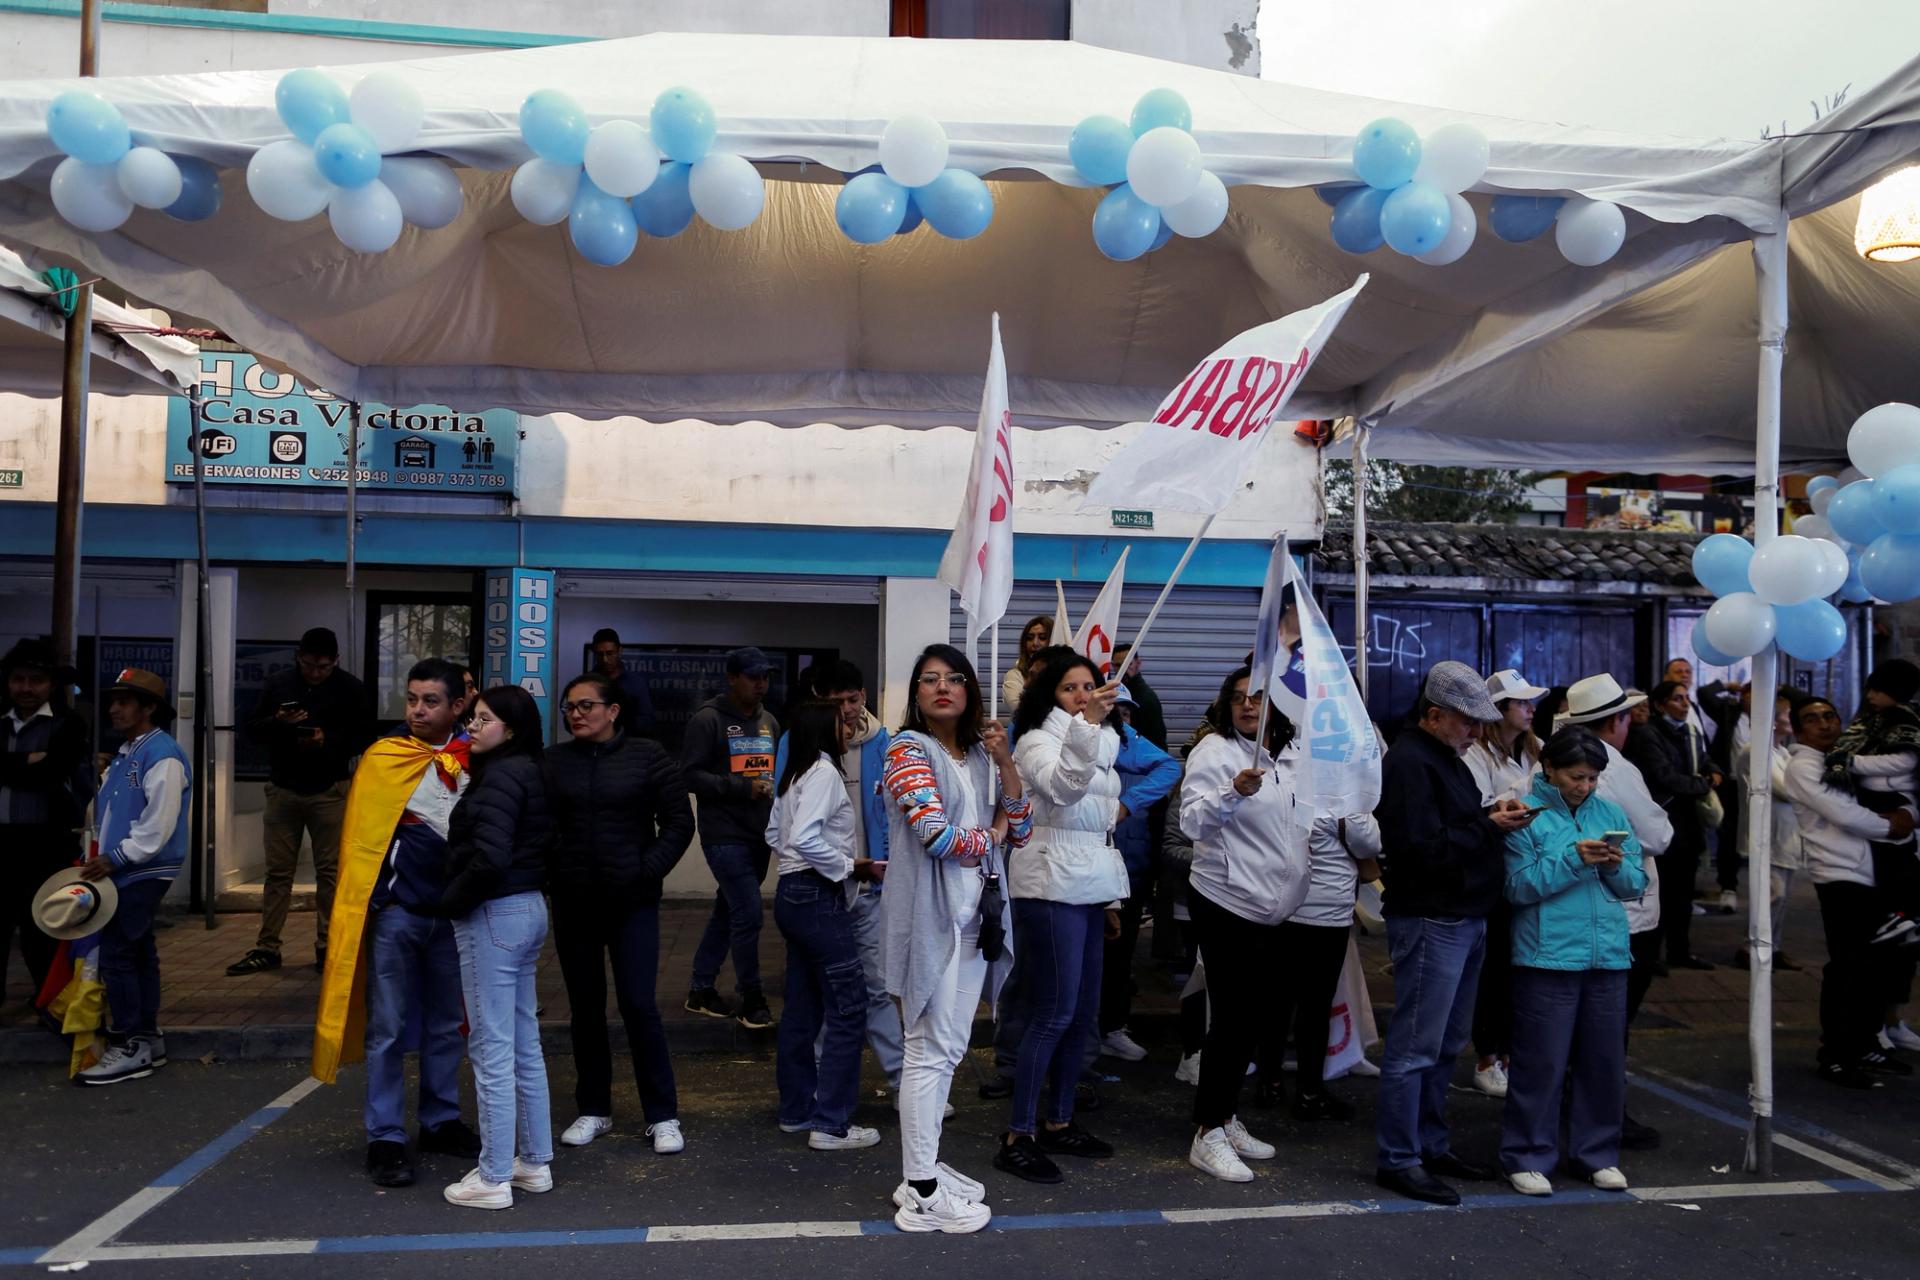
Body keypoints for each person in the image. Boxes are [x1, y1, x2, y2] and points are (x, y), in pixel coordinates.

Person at [311, 657, 481, 1188]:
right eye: (411, 699)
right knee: (387, 1030)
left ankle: (440, 1120)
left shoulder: (478, 758)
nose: (417, 710)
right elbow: (360, 845)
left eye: (431, 701)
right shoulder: (384, 757)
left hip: (453, 916)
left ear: (459, 705)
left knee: (445, 1026)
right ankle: (384, 1135)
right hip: (398, 915)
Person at [1372, 660, 1534, 1206]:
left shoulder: (1445, 758)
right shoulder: (1411, 763)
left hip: (1462, 915)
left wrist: (1490, 812)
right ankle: (1399, 1157)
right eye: (1468, 722)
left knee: (1442, 1045)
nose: (1477, 732)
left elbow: (1448, 827)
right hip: (1434, 916)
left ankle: (1429, 1144)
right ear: (1435, 715)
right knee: (1416, 1047)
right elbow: (1418, 848)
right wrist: (1488, 824)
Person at [883, 644, 1029, 1234]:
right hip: (929, 919)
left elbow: (1021, 826)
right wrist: (992, 830)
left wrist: (1008, 764)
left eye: (954, 679)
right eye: (929, 680)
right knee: (928, 1049)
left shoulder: (977, 753)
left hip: (976, 920)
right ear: (916, 694)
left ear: (970, 689)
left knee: (948, 1049)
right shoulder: (905, 750)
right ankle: (921, 1190)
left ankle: (922, 1168)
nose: (942, 688)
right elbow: (937, 838)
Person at [992, 651, 1132, 1184]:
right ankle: (1018, 1134)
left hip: (1091, 882)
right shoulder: (1035, 742)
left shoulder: (1102, 739)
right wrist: (1088, 726)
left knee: (1081, 1012)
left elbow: (1099, 825)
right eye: (1071, 688)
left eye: (1089, 687)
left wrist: (1112, 900)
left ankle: (1059, 1120)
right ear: (1049, 694)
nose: (1082, 695)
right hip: (1049, 882)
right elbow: (1064, 791)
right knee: (1052, 1012)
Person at [547, 673, 695, 1155]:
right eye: (570, 707)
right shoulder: (554, 763)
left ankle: (662, 1115)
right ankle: (593, 1109)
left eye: (587, 705)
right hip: (575, 902)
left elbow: (678, 823)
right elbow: (540, 825)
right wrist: (555, 872)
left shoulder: (648, 756)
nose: (576, 714)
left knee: (638, 1004)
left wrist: (646, 870)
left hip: (631, 901)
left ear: (613, 711)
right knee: (586, 1008)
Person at [1498, 726, 1647, 1196]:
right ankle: (1526, 1155)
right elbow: (1517, 887)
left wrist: (1616, 864)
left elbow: (1637, 883)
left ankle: (1596, 1154)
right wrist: (1574, 860)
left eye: (1593, 778)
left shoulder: (1611, 812)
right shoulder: (1526, 816)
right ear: (1549, 770)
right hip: (1546, 956)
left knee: (1603, 1062)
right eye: (1576, 776)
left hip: (1608, 955)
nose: (1585, 786)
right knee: (1540, 1063)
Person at [1178, 666, 1312, 1183]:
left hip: (1276, 908)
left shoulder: (1293, 757)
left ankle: (1227, 1116)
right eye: (1238, 699)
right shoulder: (1214, 752)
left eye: (1257, 698)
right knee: (1231, 1020)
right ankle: (1206, 1131)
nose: (1248, 706)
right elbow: (1192, 822)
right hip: (1227, 900)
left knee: (1254, 1020)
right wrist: (1232, 792)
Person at [439, 686, 556, 1209]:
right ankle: (532, 1163)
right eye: (473, 717)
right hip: (527, 908)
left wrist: (451, 902)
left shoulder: (502, 776)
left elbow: (488, 856)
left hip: (494, 912)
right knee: (522, 1042)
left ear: (509, 728)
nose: (471, 726)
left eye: (483, 719)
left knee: (491, 1047)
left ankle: (492, 1177)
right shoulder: (531, 770)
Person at [772, 663, 904, 1103]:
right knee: (838, 996)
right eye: (835, 704)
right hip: (832, 885)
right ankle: (823, 1099)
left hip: (863, 888)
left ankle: (901, 1084)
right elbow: (793, 829)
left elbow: (779, 829)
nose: (846, 712)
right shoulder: (804, 747)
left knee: (866, 989)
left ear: (864, 695)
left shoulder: (885, 743)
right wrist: (843, 865)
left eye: (852, 700)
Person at [1780, 696, 1916, 1087]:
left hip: (1874, 873)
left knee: (1878, 964)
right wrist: (1891, 826)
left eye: (1829, 716)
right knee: (1849, 967)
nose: (1824, 724)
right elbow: (1844, 812)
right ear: (1800, 729)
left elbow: (1897, 793)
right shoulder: (1804, 765)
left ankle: (1865, 1041)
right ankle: (1837, 1054)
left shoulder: (1845, 758)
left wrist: (1909, 816)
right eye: (1812, 719)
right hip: (1841, 876)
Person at [1558, 673, 1668, 1151]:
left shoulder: (1565, 760)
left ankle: (1579, 1107)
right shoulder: (1615, 768)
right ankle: (1603, 1112)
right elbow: (1657, 835)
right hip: (1624, 913)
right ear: (1616, 722)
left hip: (1591, 908)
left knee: (1585, 1023)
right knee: (1608, 1026)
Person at [228, 626, 376, 977]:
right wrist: (280, 722)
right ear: (298, 657)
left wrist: (328, 740)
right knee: (278, 872)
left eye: (323, 666)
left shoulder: (350, 688)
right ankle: (268, 947)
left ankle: (328, 944)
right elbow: (251, 731)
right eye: (309, 664)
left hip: (330, 788)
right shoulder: (279, 685)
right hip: (284, 787)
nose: (315, 672)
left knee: (330, 872)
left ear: (336, 661)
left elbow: (366, 736)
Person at [769, 700, 881, 1151]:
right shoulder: (823, 772)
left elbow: (776, 837)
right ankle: (831, 1123)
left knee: (803, 1006)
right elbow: (803, 838)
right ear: (823, 728)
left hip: (792, 895)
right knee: (849, 1010)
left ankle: (797, 1111)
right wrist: (849, 866)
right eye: (842, 722)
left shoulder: (794, 773)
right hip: (817, 896)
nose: (849, 727)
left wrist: (808, 865)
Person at [73, 669, 190, 1086]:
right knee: (138, 951)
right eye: (113, 700)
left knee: (120, 953)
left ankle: (130, 1043)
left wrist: (115, 858)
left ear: (149, 708)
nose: (114, 708)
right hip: (128, 868)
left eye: (125, 701)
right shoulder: (129, 753)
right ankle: (147, 1039)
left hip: (139, 869)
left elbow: (157, 825)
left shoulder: (163, 754)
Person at [1822, 662, 1920, 1052]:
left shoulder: (1905, 723)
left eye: (1878, 690)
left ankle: (1889, 1020)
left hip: (1898, 818)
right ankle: (1873, 1025)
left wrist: (1853, 764)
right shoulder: (1867, 723)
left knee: (1900, 943)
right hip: (1875, 829)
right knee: (1875, 945)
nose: (1871, 697)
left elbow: (1905, 761)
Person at [1461, 669, 1547, 1102]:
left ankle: (1510, 1051)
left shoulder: (1536, 750)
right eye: (1522, 703)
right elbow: (1478, 807)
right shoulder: (1476, 754)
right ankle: (1487, 1056)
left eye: (1531, 702)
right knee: (1493, 968)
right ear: (1499, 710)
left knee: (1520, 965)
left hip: (1530, 870)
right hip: (1494, 873)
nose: (1531, 709)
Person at [683, 646, 780, 1029]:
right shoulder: (707, 720)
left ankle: (700, 988)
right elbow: (688, 775)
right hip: (723, 836)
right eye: (753, 677)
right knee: (750, 914)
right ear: (732, 678)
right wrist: (741, 788)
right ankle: (751, 997)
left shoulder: (770, 722)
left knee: (730, 910)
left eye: (766, 677)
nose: (761, 684)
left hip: (759, 835)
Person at [1091, 684, 1180, 1063]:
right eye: (1115, 709)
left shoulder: (1129, 743)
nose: (1122, 718)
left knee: (1119, 957)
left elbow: (1170, 767)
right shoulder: (1076, 743)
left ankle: (1111, 1028)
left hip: (1128, 870)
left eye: (1126, 712)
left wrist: (1127, 804)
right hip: (1080, 869)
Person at [1, 639, 87, 1007]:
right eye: (19, 679)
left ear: (51, 684)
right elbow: (35, 772)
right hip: (0, 842)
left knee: (43, 928)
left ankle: (47, 1003)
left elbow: (52, 774)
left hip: (45, 844)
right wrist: (28, 762)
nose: (26, 688)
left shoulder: (69, 724)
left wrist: (8, 765)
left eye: (35, 680)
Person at [1628, 679, 1720, 971]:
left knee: (1684, 893)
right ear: (1659, 704)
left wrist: (1713, 773)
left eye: (1685, 698)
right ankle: (1652, 955)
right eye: (1677, 699)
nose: (1684, 704)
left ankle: (1681, 950)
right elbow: (1663, 775)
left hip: (1689, 823)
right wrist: (1702, 785)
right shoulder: (1647, 734)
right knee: (1663, 891)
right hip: (1665, 819)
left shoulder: (1690, 732)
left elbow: (1705, 760)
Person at [1733, 693, 1806, 974]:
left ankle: (1773, 946)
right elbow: (1788, 789)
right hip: (1765, 834)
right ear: (1773, 721)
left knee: (1782, 896)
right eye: (1788, 715)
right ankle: (1752, 947)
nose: (1792, 721)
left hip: (1786, 835)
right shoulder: (1755, 750)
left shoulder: (1784, 752)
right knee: (1770, 895)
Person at [589, 627, 657, 738]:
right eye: (600, 654)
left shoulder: (636, 683)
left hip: (628, 746)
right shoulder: (586, 683)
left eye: (610, 653)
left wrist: (623, 719)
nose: (605, 659)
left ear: (619, 651)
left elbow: (647, 723)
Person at [1110, 644, 1168, 751]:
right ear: (1113, 665)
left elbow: (1157, 740)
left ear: (1138, 663)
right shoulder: (1116, 691)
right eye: (1119, 665)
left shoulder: (1146, 697)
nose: (1124, 669)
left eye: (1128, 664)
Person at [1003, 616, 1055, 713]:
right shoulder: (1015, 675)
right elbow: (1019, 709)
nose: (1035, 643)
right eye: (1029, 638)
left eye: (1042, 637)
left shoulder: (1067, 674)